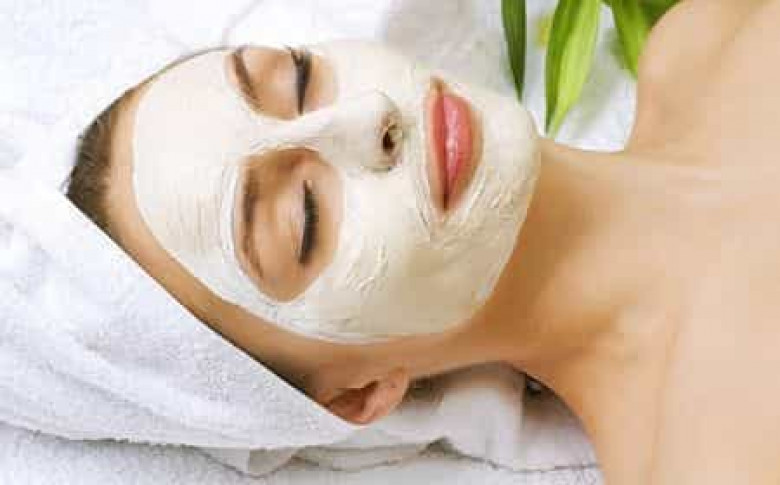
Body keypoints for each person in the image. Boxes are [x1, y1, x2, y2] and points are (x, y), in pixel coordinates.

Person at [65, 1, 780, 483]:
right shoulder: (715, 460)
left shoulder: (708, 37)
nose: (366, 117)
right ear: (359, 394)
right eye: (303, 218)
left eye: (299, 79)